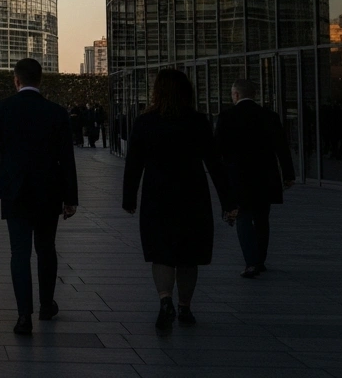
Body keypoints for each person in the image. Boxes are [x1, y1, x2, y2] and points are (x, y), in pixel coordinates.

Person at [122, 68, 237, 330]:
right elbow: (215, 164)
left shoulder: (145, 122)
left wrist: (129, 197)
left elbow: (134, 163)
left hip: (156, 194)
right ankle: (185, 306)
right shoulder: (198, 121)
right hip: (192, 193)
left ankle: (165, 300)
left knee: (161, 253)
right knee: (189, 254)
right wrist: (229, 202)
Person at [0, 59, 78, 335]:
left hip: (15, 189)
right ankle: (46, 304)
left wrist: (9, 155)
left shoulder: (2, 108)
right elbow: (67, 159)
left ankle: (24, 315)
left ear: (16, 80)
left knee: (19, 252)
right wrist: (71, 198)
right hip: (48, 190)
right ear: (40, 80)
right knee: (46, 248)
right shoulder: (56, 113)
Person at [216, 79, 295, 279]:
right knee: (262, 218)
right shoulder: (269, 116)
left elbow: (218, 149)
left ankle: (251, 262)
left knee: (243, 217)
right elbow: (282, 149)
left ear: (236, 94)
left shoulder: (226, 117)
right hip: (265, 176)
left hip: (238, 177)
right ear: (255, 94)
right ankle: (260, 260)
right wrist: (288, 175)